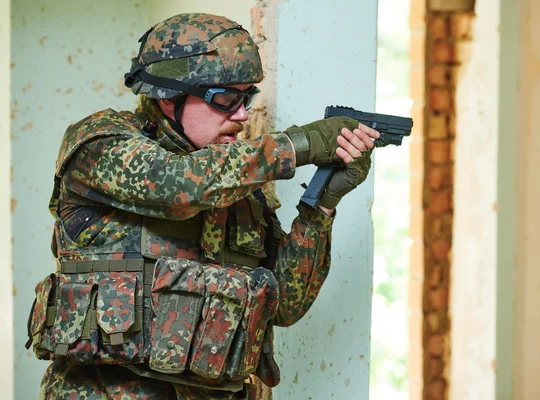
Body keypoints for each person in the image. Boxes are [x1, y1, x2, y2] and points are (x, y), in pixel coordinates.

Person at [26, 12, 379, 400]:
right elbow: (176, 184)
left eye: (247, 97)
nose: (242, 115)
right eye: (226, 98)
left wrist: (322, 203)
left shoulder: (240, 185)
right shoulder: (100, 143)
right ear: (168, 97)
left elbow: (285, 306)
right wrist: (298, 144)